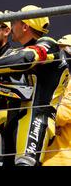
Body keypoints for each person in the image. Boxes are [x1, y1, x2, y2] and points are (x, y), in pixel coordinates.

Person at [0, 5, 70, 166]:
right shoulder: (20, 54)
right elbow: (16, 90)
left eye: (15, 22)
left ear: (25, 26)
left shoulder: (48, 44)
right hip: (16, 118)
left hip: (36, 116)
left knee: (25, 163)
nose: (12, 26)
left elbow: (26, 58)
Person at [42, 34, 71, 166]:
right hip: (45, 158)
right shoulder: (53, 82)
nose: (59, 56)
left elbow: (60, 116)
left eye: (64, 51)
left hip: (62, 159)